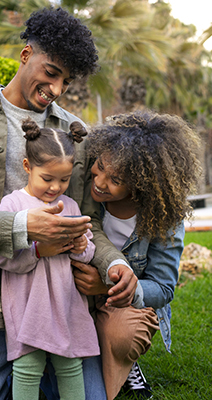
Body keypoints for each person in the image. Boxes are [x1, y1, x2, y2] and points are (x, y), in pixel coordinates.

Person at [0, 6, 138, 400]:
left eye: (66, 81)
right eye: (52, 72)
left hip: (58, 303)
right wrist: (23, 228)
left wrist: (114, 263)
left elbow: (88, 220)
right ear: (26, 56)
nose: (56, 89)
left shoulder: (75, 133)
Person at [85, 110, 201, 399]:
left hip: (121, 300)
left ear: (141, 183)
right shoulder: (83, 188)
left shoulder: (164, 217)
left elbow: (163, 286)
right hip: (76, 291)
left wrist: (110, 286)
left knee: (123, 336)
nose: (100, 182)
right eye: (99, 166)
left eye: (116, 180)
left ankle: (125, 361)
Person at [0, 119, 100, 400]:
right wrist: (37, 250)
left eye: (64, 179)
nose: (55, 187)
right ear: (27, 167)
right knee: (27, 364)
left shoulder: (70, 206)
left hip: (64, 300)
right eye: (47, 178)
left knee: (70, 362)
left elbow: (87, 253)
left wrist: (81, 246)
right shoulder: (13, 205)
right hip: (28, 300)